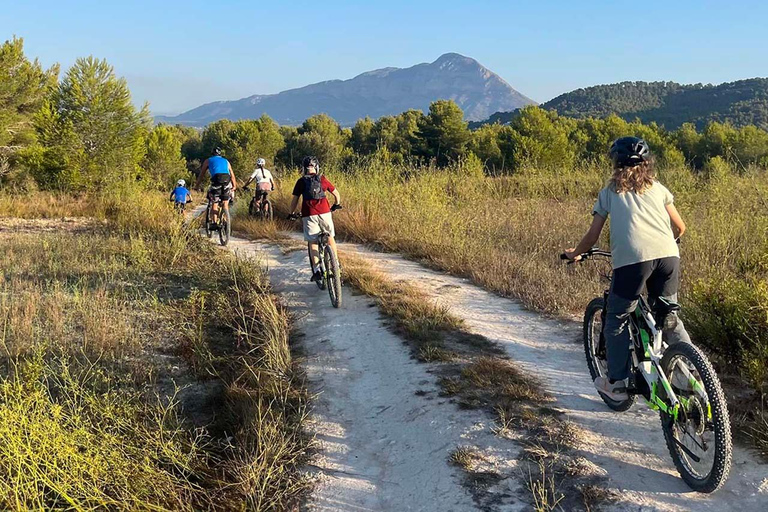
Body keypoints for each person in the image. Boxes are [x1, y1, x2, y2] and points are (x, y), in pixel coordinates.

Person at [564, 136, 689, 401]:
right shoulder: (658, 188)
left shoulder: (609, 192)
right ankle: (691, 371)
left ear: (616, 163)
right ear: (647, 162)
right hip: (668, 256)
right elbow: (680, 228)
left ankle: (618, 384)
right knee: (668, 316)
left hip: (632, 262)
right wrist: (663, 246)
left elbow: (592, 236)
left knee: (617, 319)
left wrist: (575, 253)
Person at [288, 156, 342, 282]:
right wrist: (336, 204)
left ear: (304, 168)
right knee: (330, 237)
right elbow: (336, 194)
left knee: (313, 241)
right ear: (316, 167)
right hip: (325, 212)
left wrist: (291, 213)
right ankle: (336, 266)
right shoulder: (322, 179)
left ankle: (317, 270)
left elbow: (294, 200)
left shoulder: (301, 182)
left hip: (309, 214)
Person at [195, 147, 237, 227]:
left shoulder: (208, 160)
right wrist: (234, 186)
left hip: (216, 180)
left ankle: (214, 223)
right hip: (227, 180)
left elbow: (201, 174)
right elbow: (232, 175)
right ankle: (226, 223)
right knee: (225, 203)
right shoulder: (226, 161)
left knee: (215, 202)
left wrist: (196, 186)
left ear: (212, 153)